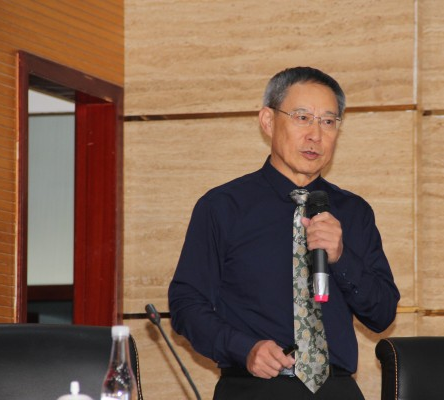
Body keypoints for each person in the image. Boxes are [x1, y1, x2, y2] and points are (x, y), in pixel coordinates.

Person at [168, 66, 400, 400]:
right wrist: (244, 348)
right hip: (253, 388)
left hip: (336, 389)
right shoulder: (223, 206)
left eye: (328, 122)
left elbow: (382, 314)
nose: (315, 135)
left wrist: (341, 257)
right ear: (267, 121)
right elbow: (187, 304)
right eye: (302, 118)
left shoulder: (354, 212)